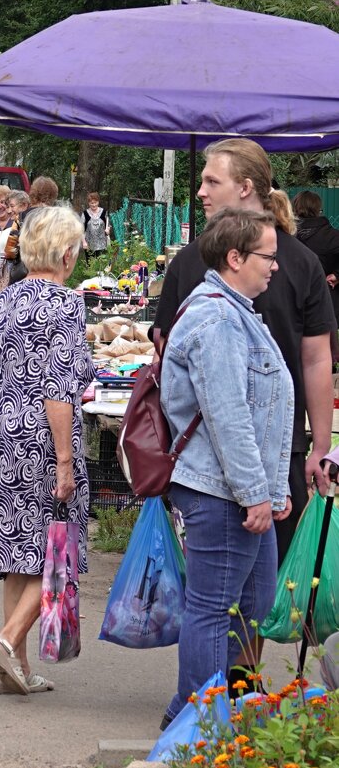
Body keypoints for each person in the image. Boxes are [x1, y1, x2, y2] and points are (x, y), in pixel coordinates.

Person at [152, 138, 335, 565]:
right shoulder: (190, 261)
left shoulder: (302, 262)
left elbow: (317, 358)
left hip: (278, 451)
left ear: (246, 187)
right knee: (215, 595)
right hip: (202, 461)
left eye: (212, 181)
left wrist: (320, 445)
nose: (201, 192)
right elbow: (164, 354)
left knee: (259, 592)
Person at [158, 207, 293, 727]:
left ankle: (221, 713)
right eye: (267, 257)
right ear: (235, 258)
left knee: (251, 605)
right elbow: (229, 417)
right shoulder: (217, 319)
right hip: (223, 493)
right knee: (214, 611)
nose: (275, 267)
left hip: (240, 490)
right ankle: (194, 722)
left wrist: (270, 489)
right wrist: (255, 492)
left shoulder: (236, 313)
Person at [0, 206, 94, 695]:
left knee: (18, 549)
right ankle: (6, 639)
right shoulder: (65, 304)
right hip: (41, 441)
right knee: (57, 551)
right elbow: (58, 391)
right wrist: (65, 461)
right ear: (65, 253)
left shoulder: (8, 299)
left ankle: (14, 670)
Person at [292, 190, 339, 325]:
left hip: (291, 300)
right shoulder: (332, 236)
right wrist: (336, 275)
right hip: (326, 302)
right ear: (318, 209)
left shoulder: (285, 235)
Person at [81, 191, 111, 259]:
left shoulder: (104, 212)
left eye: (95, 202)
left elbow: (108, 225)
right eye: (92, 203)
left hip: (102, 245)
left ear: (98, 202)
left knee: (101, 265)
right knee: (90, 266)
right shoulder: (85, 214)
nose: (94, 205)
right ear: (89, 203)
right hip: (89, 245)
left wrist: (108, 230)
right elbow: (81, 230)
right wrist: (83, 242)